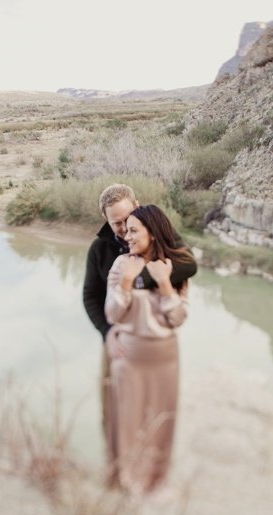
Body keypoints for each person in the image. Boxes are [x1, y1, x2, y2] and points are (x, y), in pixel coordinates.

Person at [81, 185, 195, 484]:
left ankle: (154, 475)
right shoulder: (101, 250)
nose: (122, 229)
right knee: (116, 411)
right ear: (105, 220)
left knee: (160, 413)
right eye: (115, 223)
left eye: (127, 219)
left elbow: (188, 265)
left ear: (138, 207)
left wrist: (143, 277)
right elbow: (91, 297)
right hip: (119, 341)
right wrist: (108, 333)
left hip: (159, 345)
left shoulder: (165, 242)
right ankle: (119, 472)